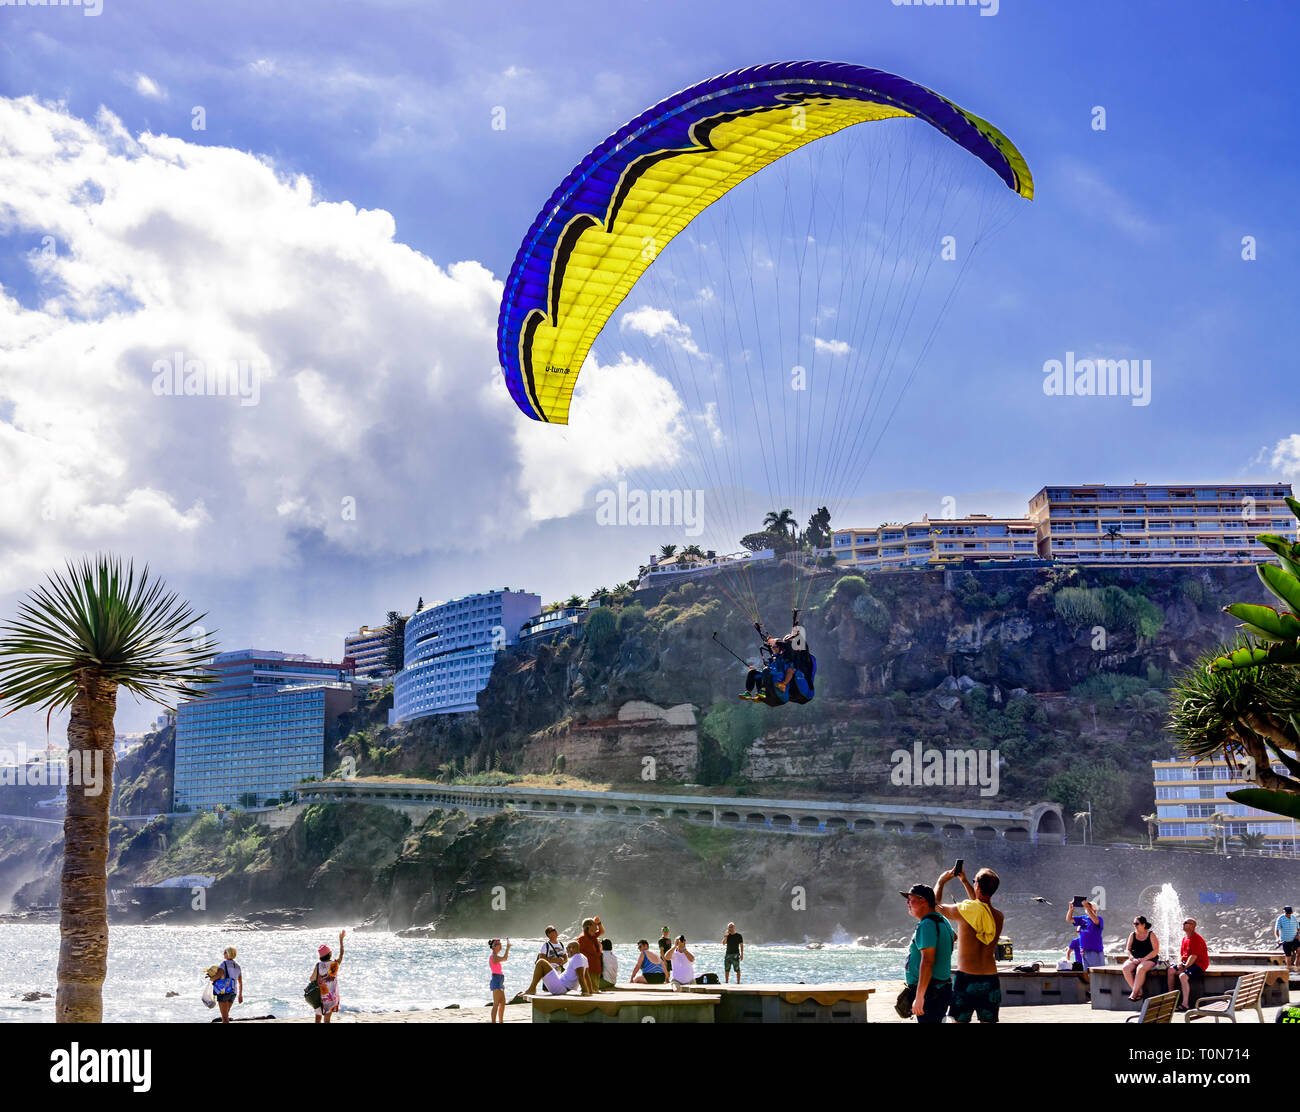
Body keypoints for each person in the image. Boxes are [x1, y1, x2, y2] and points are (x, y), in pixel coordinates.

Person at [935, 865, 1003, 1023]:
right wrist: (965, 882)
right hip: (990, 978)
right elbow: (980, 907)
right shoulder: (998, 917)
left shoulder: (964, 911)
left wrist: (941, 881)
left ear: (977, 886)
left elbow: (936, 906)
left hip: (967, 978)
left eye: (974, 882)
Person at [901, 883, 954, 1023]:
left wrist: (919, 997)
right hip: (941, 989)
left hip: (931, 993)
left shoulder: (927, 924)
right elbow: (954, 936)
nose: (907, 902)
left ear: (923, 900)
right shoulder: (942, 920)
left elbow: (928, 962)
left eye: (911, 899)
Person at [1167, 919, 1209, 1012]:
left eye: (1186, 923)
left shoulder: (1197, 938)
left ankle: (1185, 1004)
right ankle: (1171, 997)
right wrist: (1179, 963)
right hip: (1187, 964)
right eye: (1183, 923)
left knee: (1183, 976)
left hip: (1199, 965)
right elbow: (1181, 954)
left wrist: (1184, 967)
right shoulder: (1184, 938)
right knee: (1170, 970)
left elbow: (1193, 956)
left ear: (1193, 926)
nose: (1183, 924)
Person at [310, 930, 345, 1023]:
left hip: (320, 997)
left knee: (318, 1018)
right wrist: (341, 940)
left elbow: (311, 979)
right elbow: (341, 954)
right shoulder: (334, 964)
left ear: (320, 956)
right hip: (331, 997)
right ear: (329, 954)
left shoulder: (318, 965)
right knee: (327, 1019)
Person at [1121, 916, 1159, 1001]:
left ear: (1143, 924)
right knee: (1125, 968)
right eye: (1134, 923)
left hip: (1150, 958)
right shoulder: (1132, 934)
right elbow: (1128, 949)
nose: (1135, 925)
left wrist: (1145, 958)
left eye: (1137, 923)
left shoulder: (1151, 934)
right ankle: (1138, 991)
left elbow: (1156, 950)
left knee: (1141, 968)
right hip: (1135, 958)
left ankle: (1134, 993)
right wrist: (1132, 958)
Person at [1068, 899, 1106, 970]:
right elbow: (1069, 919)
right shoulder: (1083, 918)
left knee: (1096, 971)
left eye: (1089, 906)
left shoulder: (1099, 919)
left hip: (1094, 951)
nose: (1086, 907)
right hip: (1084, 951)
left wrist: (1088, 909)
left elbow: (1095, 921)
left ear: (1094, 909)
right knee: (1086, 973)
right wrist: (1071, 910)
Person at [211, 946, 242, 1024]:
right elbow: (240, 982)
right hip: (233, 993)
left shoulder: (224, 964)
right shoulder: (238, 966)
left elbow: (218, 975)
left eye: (225, 952)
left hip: (225, 991)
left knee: (224, 1018)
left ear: (229, 953)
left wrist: (211, 979)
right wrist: (240, 995)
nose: (223, 953)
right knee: (225, 1016)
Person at [577, 916, 604, 992]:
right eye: (595, 924)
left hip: (596, 967)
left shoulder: (592, 935)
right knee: (590, 990)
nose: (597, 927)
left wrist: (599, 923)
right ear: (589, 927)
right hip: (589, 970)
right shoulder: (582, 938)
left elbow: (602, 932)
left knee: (595, 989)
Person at [489, 938, 511, 1023]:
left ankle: (501, 1021)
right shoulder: (494, 957)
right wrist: (508, 948)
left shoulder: (494, 956)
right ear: (494, 947)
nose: (500, 945)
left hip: (499, 979)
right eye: (498, 944)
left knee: (502, 1002)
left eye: (500, 944)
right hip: (496, 979)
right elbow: (505, 958)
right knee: (496, 1003)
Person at [1276, 905, 1299, 969]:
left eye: (1290, 913)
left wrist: (1298, 935)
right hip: (1285, 941)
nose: (1289, 914)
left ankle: (1296, 965)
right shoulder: (1280, 918)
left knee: (1299, 950)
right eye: (1287, 913)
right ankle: (1289, 971)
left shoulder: (1294, 918)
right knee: (1288, 956)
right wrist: (1278, 939)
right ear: (1284, 912)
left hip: (1294, 939)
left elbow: (1298, 928)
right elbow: (1276, 930)